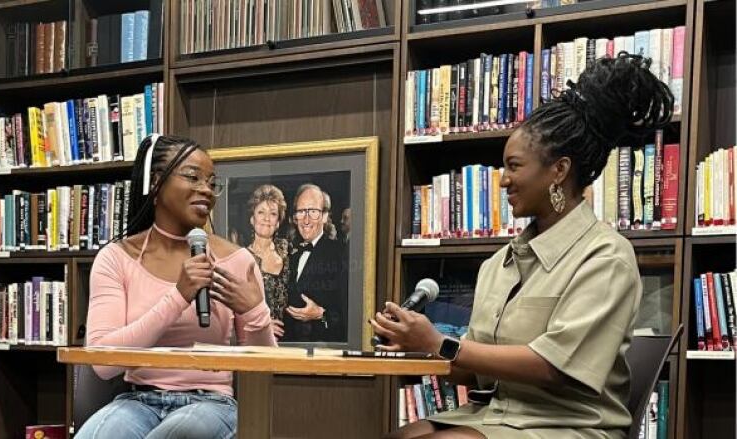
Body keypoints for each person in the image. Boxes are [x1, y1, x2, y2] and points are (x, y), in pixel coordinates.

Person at [373, 53, 674, 439]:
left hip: (569, 426)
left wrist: (440, 343)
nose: (503, 181)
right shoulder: (497, 264)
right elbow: (471, 368)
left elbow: (554, 366)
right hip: (494, 416)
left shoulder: (606, 256)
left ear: (559, 171)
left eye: (514, 166)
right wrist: (416, 346)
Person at [77, 135, 277, 439]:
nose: (206, 190)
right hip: (138, 400)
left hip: (213, 403)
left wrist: (255, 311)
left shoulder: (237, 260)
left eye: (212, 182)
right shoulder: (116, 258)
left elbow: (266, 370)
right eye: (193, 177)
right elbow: (103, 363)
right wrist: (178, 296)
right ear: (156, 183)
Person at [284, 184, 348, 343]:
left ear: (325, 217)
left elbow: (351, 315)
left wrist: (321, 314)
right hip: (287, 352)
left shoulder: (341, 253)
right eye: (301, 212)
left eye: (313, 212)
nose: (306, 220)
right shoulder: (289, 253)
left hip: (324, 353)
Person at [245, 184, 290, 340]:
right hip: (259, 336)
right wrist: (262, 325)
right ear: (252, 218)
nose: (266, 218)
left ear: (278, 221)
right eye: (261, 212)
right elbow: (236, 305)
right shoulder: (242, 258)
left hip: (293, 338)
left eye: (273, 214)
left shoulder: (288, 249)